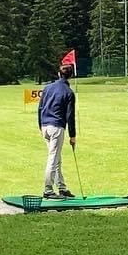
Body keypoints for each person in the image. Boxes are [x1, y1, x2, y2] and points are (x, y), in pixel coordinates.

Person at [38, 62, 77, 200]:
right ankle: (48, 190)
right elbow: (70, 116)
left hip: (45, 126)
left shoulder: (47, 88)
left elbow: (40, 108)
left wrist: (41, 126)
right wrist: (72, 135)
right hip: (56, 127)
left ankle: (62, 188)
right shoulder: (69, 92)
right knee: (53, 159)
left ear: (59, 74)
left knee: (56, 158)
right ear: (70, 76)